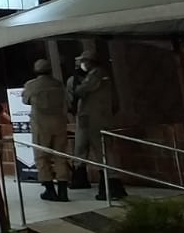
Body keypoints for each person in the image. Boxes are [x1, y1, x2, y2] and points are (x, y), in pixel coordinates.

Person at [69, 50, 126, 200]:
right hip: (95, 118)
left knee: (103, 152)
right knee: (93, 149)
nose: (82, 64)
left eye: (84, 61)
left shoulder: (96, 74)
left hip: (95, 119)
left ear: (89, 62)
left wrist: (77, 84)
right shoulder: (101, 74)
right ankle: (107, 183)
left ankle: (111, 185)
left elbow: (81, 90)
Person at [22, 59, 70, 202]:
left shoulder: (31, 85)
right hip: (59, 124)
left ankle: (50, 190)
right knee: (61, 156)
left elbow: (25, 100)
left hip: (40, 125)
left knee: (42, 157)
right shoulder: (58, 84)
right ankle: (63, 191)